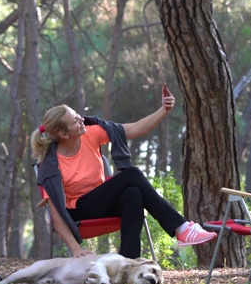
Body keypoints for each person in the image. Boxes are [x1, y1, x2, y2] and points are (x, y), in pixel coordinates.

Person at [30, 84, 217, 259]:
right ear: (63, 134)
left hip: (102, 203)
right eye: (75, 120)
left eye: (77, 114)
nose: (81, 119)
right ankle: (181, 228)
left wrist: (164, 110)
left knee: (133, 194)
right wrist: (76, 249)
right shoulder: (51, 166)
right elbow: (56, 215)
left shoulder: (92, 133)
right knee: (132, 174)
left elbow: (135, 128)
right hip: (79, 211)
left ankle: (129, 264)